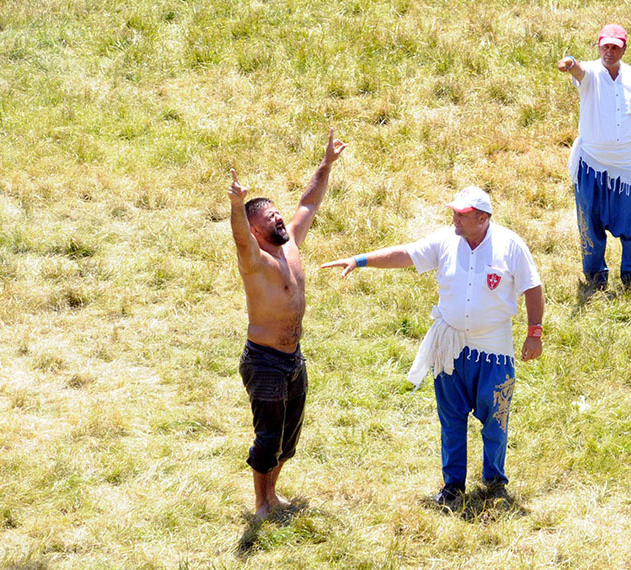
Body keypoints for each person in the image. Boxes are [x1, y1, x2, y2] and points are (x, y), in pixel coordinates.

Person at [321, 186, 544, 510]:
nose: (454, 217)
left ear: (483, 218)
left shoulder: (510, 245)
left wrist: (534, 332)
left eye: (462, 214)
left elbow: (532, 286)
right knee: (451, 418)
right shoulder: (445, 241)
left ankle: (494, 482)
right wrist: (360, 260)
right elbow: (406, 255)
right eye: (454, 211)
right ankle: (453, 486)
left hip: (493, 349)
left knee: (495, 417)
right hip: (450, 346)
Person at [226, 129, 347, 520]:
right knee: (267, 437)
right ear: (256, 230)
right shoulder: (255, 261)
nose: (279, 219)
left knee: (288, 437)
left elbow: (309, 202)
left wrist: (326, 164)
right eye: (269, 218)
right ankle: (261, 504)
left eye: (277, 213)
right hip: (263, 359)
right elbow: (241, 239)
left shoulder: (291, 242)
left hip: (293, 357)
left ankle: (274, 494)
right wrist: (238, 204)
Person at [557, 23, 631, 291]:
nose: (609, 52)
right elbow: (579, 71)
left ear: (624, 48)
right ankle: (595, 275)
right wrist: (571, 63)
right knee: (591, 221)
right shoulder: (591, 73)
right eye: (605, 46)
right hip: (591, 162)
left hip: (624, 163)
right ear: (598, 46)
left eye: (615, 47)